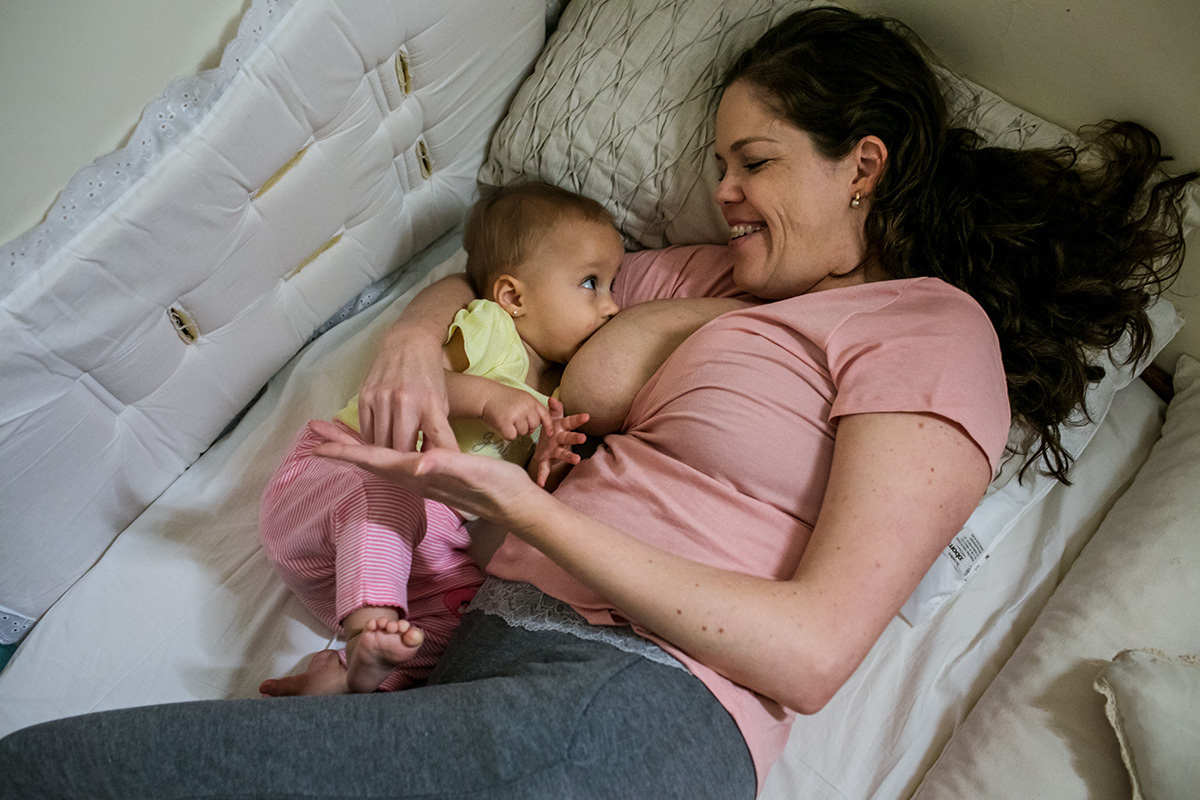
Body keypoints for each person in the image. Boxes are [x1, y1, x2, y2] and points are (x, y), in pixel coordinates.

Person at [2, 7, 1194, 799]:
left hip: (640, 703)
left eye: (755, 163)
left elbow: (815, 649)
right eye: (718, 163)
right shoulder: (701, 277)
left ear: (864, 166)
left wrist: (518, 500)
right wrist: (418, 344)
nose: (720, 192)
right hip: (489, 665)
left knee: (53, 775)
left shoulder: (930, 331)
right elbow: (502, 284)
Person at [257, 181, 621, 696]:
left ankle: (357, 682)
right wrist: (489, 398)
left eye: (613, 285)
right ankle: (368, 629)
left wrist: (548, 459)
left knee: (469, 614)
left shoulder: (559, 389)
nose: (611, 305)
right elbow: (424, 386)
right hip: (338, 483)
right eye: (591, 283)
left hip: (408, 555)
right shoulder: (490, 330)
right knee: (390, 486)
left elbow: (508, 502)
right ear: (513, 296)